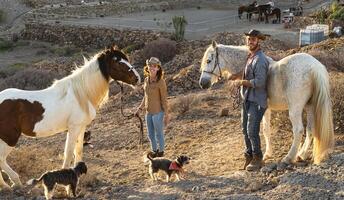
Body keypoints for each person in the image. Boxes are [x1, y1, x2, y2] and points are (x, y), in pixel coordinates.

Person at [233, 30, 269, 171]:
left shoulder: (260, 59)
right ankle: (248, 154)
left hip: (257, 100)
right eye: (249, 39)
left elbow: (260, 81)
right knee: (244, 130)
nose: (250, 41)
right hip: (247, 98)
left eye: (253, 39)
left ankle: (257, 158)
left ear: (258, 41)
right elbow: (247, 73)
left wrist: (242, 82)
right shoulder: (251, 56)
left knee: (252, 131)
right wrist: (236, 77)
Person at [135, 57, 170, 158]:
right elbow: (145, 96)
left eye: (154, 66)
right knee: (150, 135)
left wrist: (167, 114)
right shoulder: (146, 80)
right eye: (150, 66)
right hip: (148, 112)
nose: (152, 68)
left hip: (158, 112)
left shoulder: (161, 82)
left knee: (159, 134)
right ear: (147, 67)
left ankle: (161, 151)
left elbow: (164, 99)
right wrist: (140, 108)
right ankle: (154, 151)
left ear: (158, 68)